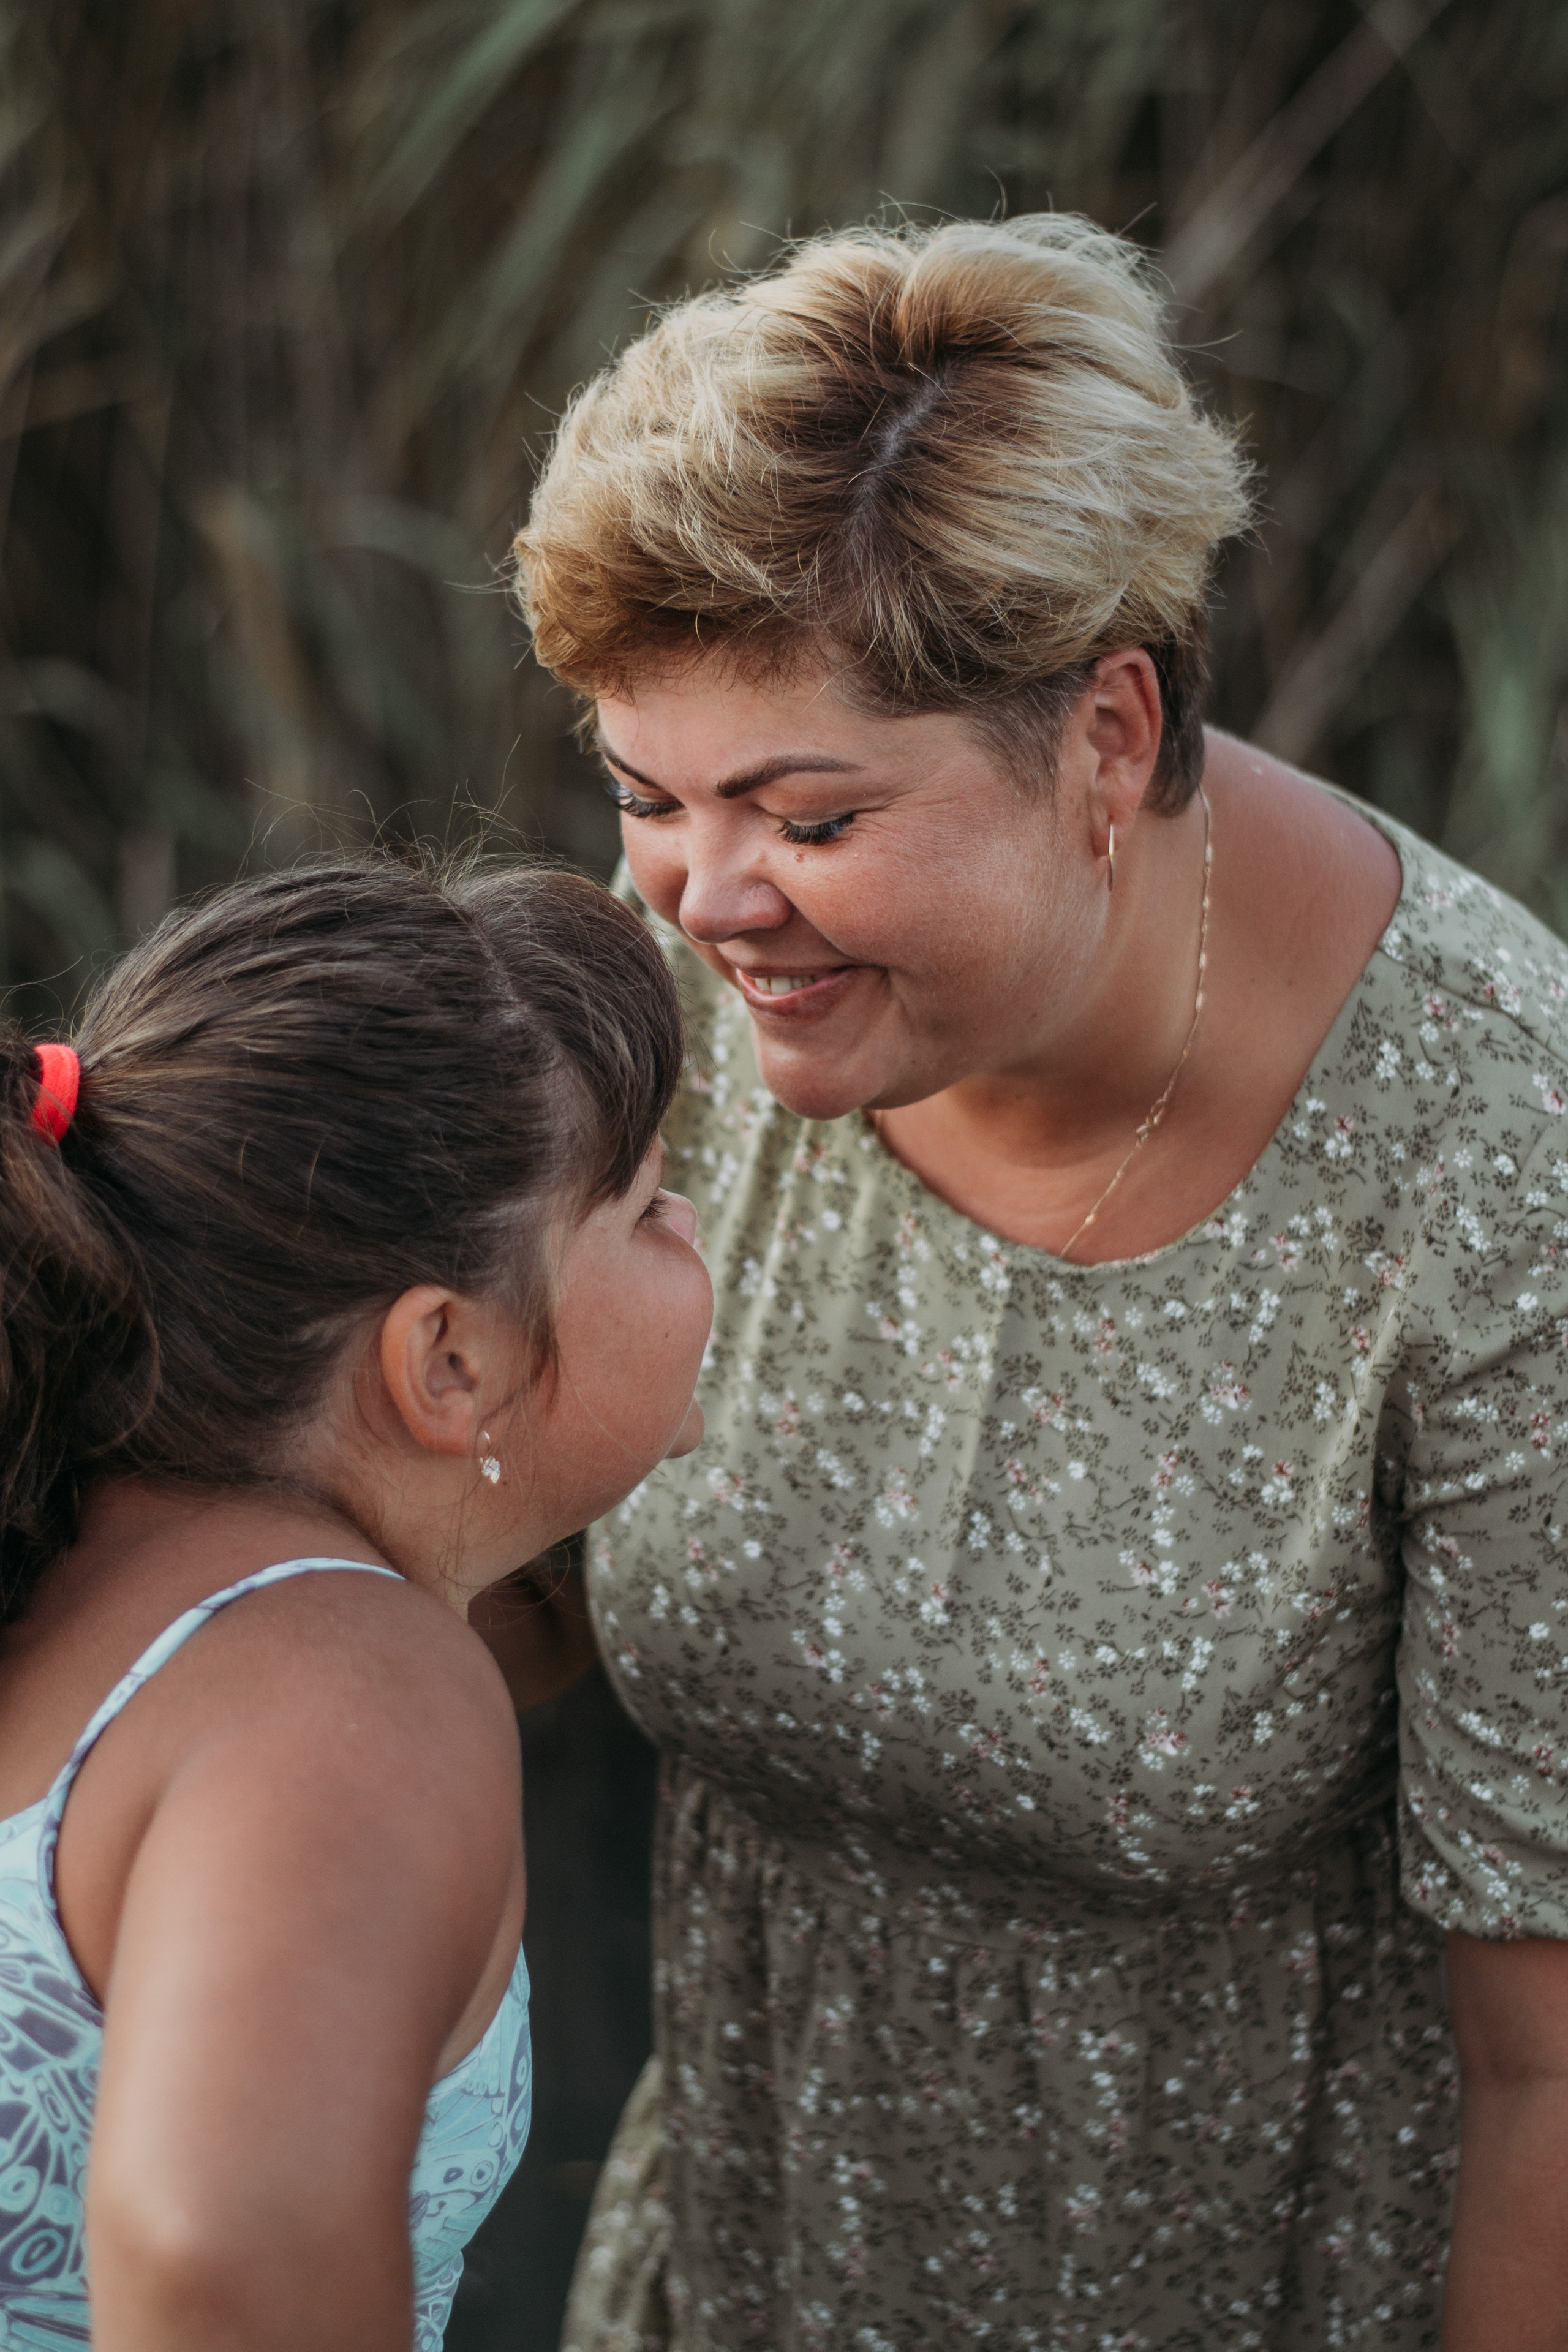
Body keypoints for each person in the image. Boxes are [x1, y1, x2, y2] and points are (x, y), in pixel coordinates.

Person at [511, 214, 1568, 2350]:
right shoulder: (679, 1003)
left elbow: (1550, 2064)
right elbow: (478, 1574)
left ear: (1104, 734)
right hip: (726, 2284)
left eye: (808, 815)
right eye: (646, 796)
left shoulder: (1499, 1171)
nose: (711, 901)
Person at [0, 856, 711, 2351]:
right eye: (647, 1206)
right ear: (447, 1362)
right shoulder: (351, 1684)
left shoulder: (70, 1552)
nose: (700, 1230)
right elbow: (220, 2253)